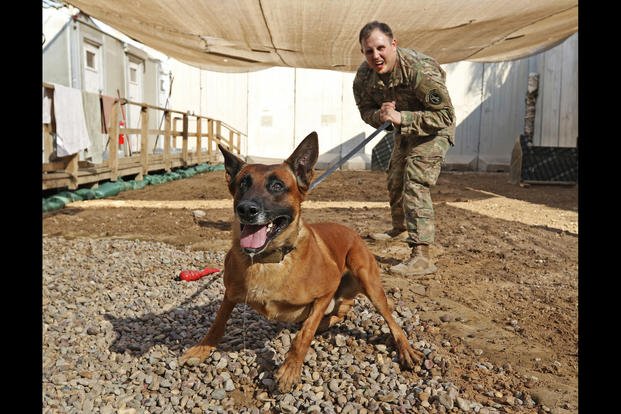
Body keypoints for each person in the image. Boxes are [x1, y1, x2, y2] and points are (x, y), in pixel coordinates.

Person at [353, 21, 456, 276]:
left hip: (434, 130)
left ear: (393, 44)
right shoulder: (364, 77)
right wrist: (381, 115)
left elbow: (445, 115)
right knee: (395, 180)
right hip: (405, 129)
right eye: (369, 51)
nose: (376, 56)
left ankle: (422, 256)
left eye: (381, 48)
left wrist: (403, 119)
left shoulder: (419, 69)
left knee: (415, 181)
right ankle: (399, 230)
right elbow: (365, 110)